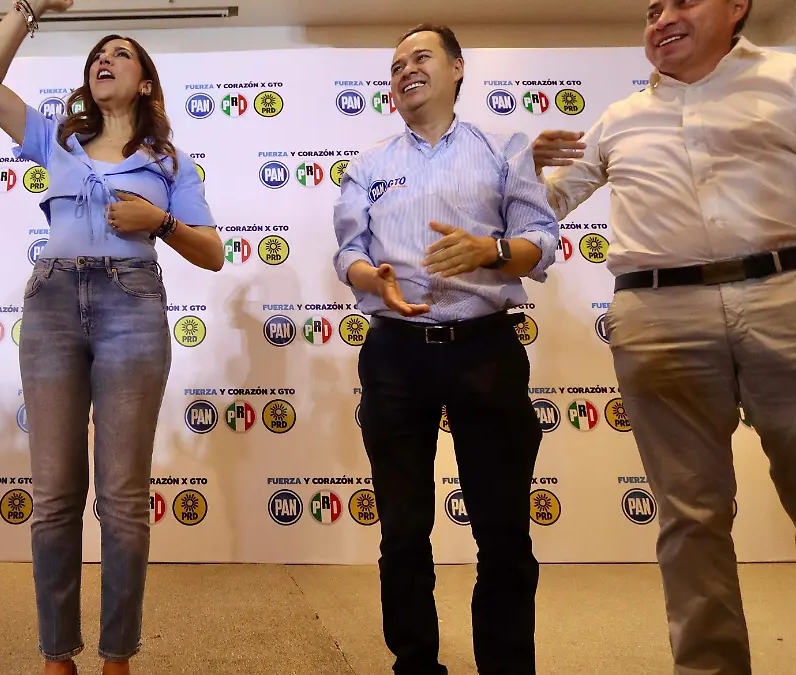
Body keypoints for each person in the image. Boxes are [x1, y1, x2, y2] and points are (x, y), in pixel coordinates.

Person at [531, 1, 796, 672]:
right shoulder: (618, 119)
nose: (662, 19)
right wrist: (522, 171)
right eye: (652, 10)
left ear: (736, 7)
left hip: (784, 297)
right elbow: (549, 203)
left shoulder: (788, 79)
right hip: (659, 316)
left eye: (682, 2)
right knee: (689, 513)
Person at [0, 2, 224, 674]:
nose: (104, 59)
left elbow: (213, 253)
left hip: (131, 304)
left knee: (123, 497)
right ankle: (58, 655)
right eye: (97, 56)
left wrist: (160, 221)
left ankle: (116, 656)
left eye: (120, 54)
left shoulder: (170, 161)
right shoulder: (56, 140)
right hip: (52, 302)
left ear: (145, 83)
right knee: (53, 495)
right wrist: (26, 9)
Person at [333, 23, 559, 675]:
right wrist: (369, 277)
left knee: (503, 529)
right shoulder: (369, 164)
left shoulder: (503, 149)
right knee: (403, 529)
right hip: (394, 355)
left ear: (458, 68)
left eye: (421, 56)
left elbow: (541, 240)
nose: (406, 68)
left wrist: (491, 250)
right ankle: (415, 664)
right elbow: (348, 251)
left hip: (484, 349)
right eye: (396, 63)